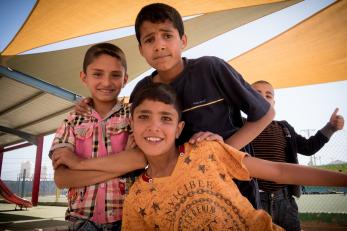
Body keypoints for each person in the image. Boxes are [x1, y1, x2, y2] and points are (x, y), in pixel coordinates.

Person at [76, 2, 275, 209]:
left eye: (167, 36)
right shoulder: (141, 91)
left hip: (233, 193)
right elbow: (122, 124)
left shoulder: (211, 68)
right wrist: (90, 104)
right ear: (141, 50)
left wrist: (225, 150)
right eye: (149, 39)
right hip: (176, 199)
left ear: (183, 40)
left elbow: (265, 113)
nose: (159, 45)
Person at [105, 82, 345, 231]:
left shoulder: (206, 150)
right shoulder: (136, 199)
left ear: (179, 128)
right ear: (132, 125)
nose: (154, 127)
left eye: (166, 118)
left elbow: (279, 170)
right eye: (144, 117)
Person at [50, 43, 147, 231]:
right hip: (81, 221)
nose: (106, 82)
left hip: (127, 217)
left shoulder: (133, 115)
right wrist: (122, 164)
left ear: (125, 79)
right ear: (83, 77)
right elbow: (62, 178)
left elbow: (139, 160)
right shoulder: (71, 121)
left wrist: (78, 164)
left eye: (115, 75)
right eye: (97, 74)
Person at [250, 80, 345, 231]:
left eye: (268, 95)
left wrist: (330, 128)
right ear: (245, 98)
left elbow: (308, 147)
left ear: (273, 103)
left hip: (285, 200)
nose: (263, 98)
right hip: (253, 202)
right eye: (256, 93)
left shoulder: (284, 128)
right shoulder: (238, 126)